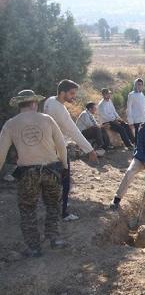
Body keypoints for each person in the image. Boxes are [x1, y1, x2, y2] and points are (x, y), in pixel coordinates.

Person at [0, 90, 69, 257]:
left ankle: (34, 248)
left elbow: (1, 153)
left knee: (28, 209)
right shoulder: (47, 119)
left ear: (20, 105)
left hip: (27, 173)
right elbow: (61, 146)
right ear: (33, 103)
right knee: (53, 205)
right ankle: (55, 238)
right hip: (51, 170)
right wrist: (64, 165)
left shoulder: (10, 124)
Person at [44, 79, 98, 222]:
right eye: (71, 93)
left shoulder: (49, 101)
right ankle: (63, 213)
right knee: (65, 181)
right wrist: (90, 150)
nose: (73, 96)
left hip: (48, 147)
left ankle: (54, 209)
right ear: (62, 93)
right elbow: (74, 131)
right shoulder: (60, 109)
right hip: (58, 149)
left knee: (54, 182)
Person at [126, 78, 145, 144]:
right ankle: (137, 152)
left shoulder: (142, 95)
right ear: (135, 85)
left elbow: (143, 108)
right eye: (138, 84)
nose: (139, 86)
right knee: (137, 138)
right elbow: (129, 108)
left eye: (141, 85)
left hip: (143, 119)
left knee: (144, 137)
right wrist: (130, 121)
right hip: (136, 120)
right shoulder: (131, 95)